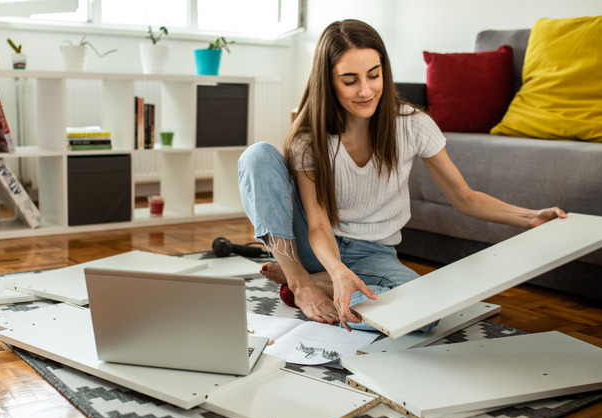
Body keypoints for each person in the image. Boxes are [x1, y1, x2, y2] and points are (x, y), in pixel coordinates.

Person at [237, 19, 566, 332]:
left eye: (374, 75)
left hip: (374, 253)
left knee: (424, 317)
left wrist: (531, 217)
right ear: (329, 82)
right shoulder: (309, 139)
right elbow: (318, 225)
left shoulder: (413, 124)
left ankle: (319, 282)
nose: (366, 90)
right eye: (350, 80)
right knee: (258, 155)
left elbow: (464, 198)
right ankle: (300, 281)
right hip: (316, 246)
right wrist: (336, 268)